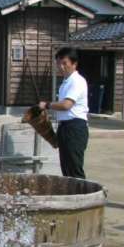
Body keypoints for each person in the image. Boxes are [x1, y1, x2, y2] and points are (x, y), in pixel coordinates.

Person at [39, 47, 89, 179]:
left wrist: (48, 105)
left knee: (74, 168)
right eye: (58, 63)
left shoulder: (77, 81)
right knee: (66, 168)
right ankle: (72, 197)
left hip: (75, 127)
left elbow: (67, 105)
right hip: (65, 126)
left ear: (74, 64)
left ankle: (81, 198)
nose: (61, 67)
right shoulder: (65, 83)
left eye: (64, 63)